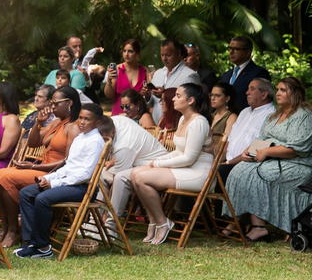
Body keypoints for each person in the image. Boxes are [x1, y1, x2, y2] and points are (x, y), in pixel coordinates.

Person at [0, 86, 82, 247]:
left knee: (6, 178)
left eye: (56, 103)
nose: (52, 107)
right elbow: (33, 143)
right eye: (51, 103)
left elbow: (67, 161)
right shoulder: (56, 123)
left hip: (52, 173)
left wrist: (32, 167)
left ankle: (13, 230)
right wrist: (39, 122)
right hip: (40, 168)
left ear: (69, 103)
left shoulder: (73, 127)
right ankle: (6, 226)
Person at [225, 76, 312, 240]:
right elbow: (262, 140)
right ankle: (238, 220)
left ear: (296, 93)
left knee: (259, 175)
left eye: (283, 90)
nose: (278, 93)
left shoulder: (304, 116)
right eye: (278, 89)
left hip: (297, 163)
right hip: (272, 160)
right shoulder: (274, 115)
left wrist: (266, 152)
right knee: (240, 170)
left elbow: (296, 148)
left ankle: (260, 228)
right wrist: (248, 151)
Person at [15, 104, 106, 259]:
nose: (82, 122)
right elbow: (69, 166)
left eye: (87, 119)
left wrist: (54, 184)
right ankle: (33, 242)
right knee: (26, 193)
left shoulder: (95, 141)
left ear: (97, 123)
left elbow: (85, 174)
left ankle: (43, 248)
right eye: (81, 118)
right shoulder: (80, 137)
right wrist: (48, 178)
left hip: (84, 188)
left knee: (42, 199)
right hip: (69, 182)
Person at [129, 83, 214, 244]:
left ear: (190, 100)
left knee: (142, 178)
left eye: (178, 96)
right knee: (134, 173)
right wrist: (161, 160)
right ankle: (154, 220)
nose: (173, 99)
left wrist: (159, 165)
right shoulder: (183, 119)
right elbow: (180, 151)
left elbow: (189, 158)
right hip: (186, 167)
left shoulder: (199, 123)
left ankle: (163, 222)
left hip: (199, 173)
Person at [218, 79, 277, 212]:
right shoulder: (244, 112)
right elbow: (230, 140)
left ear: (264, 95)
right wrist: (218, 160)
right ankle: (206, 219)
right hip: (228, 162)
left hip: (246, 165)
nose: (246, 92)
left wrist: (228, 163)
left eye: (251, 89)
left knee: (219, 172)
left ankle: (222, 221)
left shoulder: (272, 115)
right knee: (207, 168)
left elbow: (254, 150)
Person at [100, 113, 169, 219]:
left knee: (119, 179)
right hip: (137, 164)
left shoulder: (123, 145)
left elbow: (116, 182)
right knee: (102, 173)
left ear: (113, 132)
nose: (102, 142)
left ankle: (109, 220)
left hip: (155, 168)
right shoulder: (112, 121)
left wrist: (108, 211)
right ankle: (95, 218)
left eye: (105, 139)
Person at [147, 39, 198, 129]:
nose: (164, 58)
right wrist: (148, 95)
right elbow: (152, 103)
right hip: (158, 126)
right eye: (162, 55)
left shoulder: (189, 75)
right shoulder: (158, 73)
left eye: (168, 55)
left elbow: (194, 103)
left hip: (178, 126)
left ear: (179, 54)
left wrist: (165, 95)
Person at [220, 36, 271, 110]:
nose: (231, 52)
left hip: (247, 118)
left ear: (247, 52)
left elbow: (261, 102)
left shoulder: (259, 73)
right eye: (230, 48)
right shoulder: (226, 75)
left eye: (236, 49)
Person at [105, 39, 147, 114]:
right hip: (118, 114)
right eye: (124, 51)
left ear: (138, 53)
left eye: (130, 51)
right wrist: (109, 80)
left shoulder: (145, 71)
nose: (126, 54)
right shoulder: (117, 70)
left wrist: (146, 93)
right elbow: (109, 95)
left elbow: (151, 96)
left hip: (138, 115)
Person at [208, 81, 239, 146]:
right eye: (211, 95)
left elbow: (225, 143)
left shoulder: (232, 117)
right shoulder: (212, 115)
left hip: (219, 154)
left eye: (217, 95)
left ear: (227, 98)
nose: (212, 98)